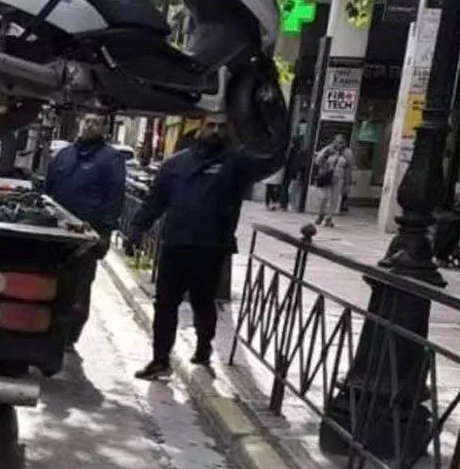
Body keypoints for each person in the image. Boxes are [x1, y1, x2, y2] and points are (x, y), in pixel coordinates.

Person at [126, 110, 284, 380]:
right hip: (175, 245)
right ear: (200, 128)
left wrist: (273, 124)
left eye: (222, 127)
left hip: (210, 248)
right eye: (211, 125)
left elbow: (271, 161)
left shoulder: (237, 164)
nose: (216, 131)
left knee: (203, 303)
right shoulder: (175, 165)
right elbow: (155, 201)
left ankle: (203, 347)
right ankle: (160, 359)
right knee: (165, 304)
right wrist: (136, 229)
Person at [44, 112, 125, 349]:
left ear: (104, 128)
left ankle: (69, 336)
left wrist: (105, 233)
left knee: (79, 286)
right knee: (53, 279)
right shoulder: (64, 155)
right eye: (87, 121)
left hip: (87, 237)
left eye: (96, 123)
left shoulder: (111, 159)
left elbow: (115, 197)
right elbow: (49, 190)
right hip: (56, 232)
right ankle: (49, 328)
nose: (90, 126)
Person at [311, 135, 352, 227]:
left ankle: (329, 218)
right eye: (337, 142)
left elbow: (348, 168)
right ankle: (320, 215)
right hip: (327, 177)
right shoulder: (328, 149)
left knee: (334, 200)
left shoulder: (348, 153)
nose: (339, 144)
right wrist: (325, 153)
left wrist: (347, 183)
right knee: (323, 198)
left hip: (338, 179)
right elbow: (317, 161)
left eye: (341, 142)